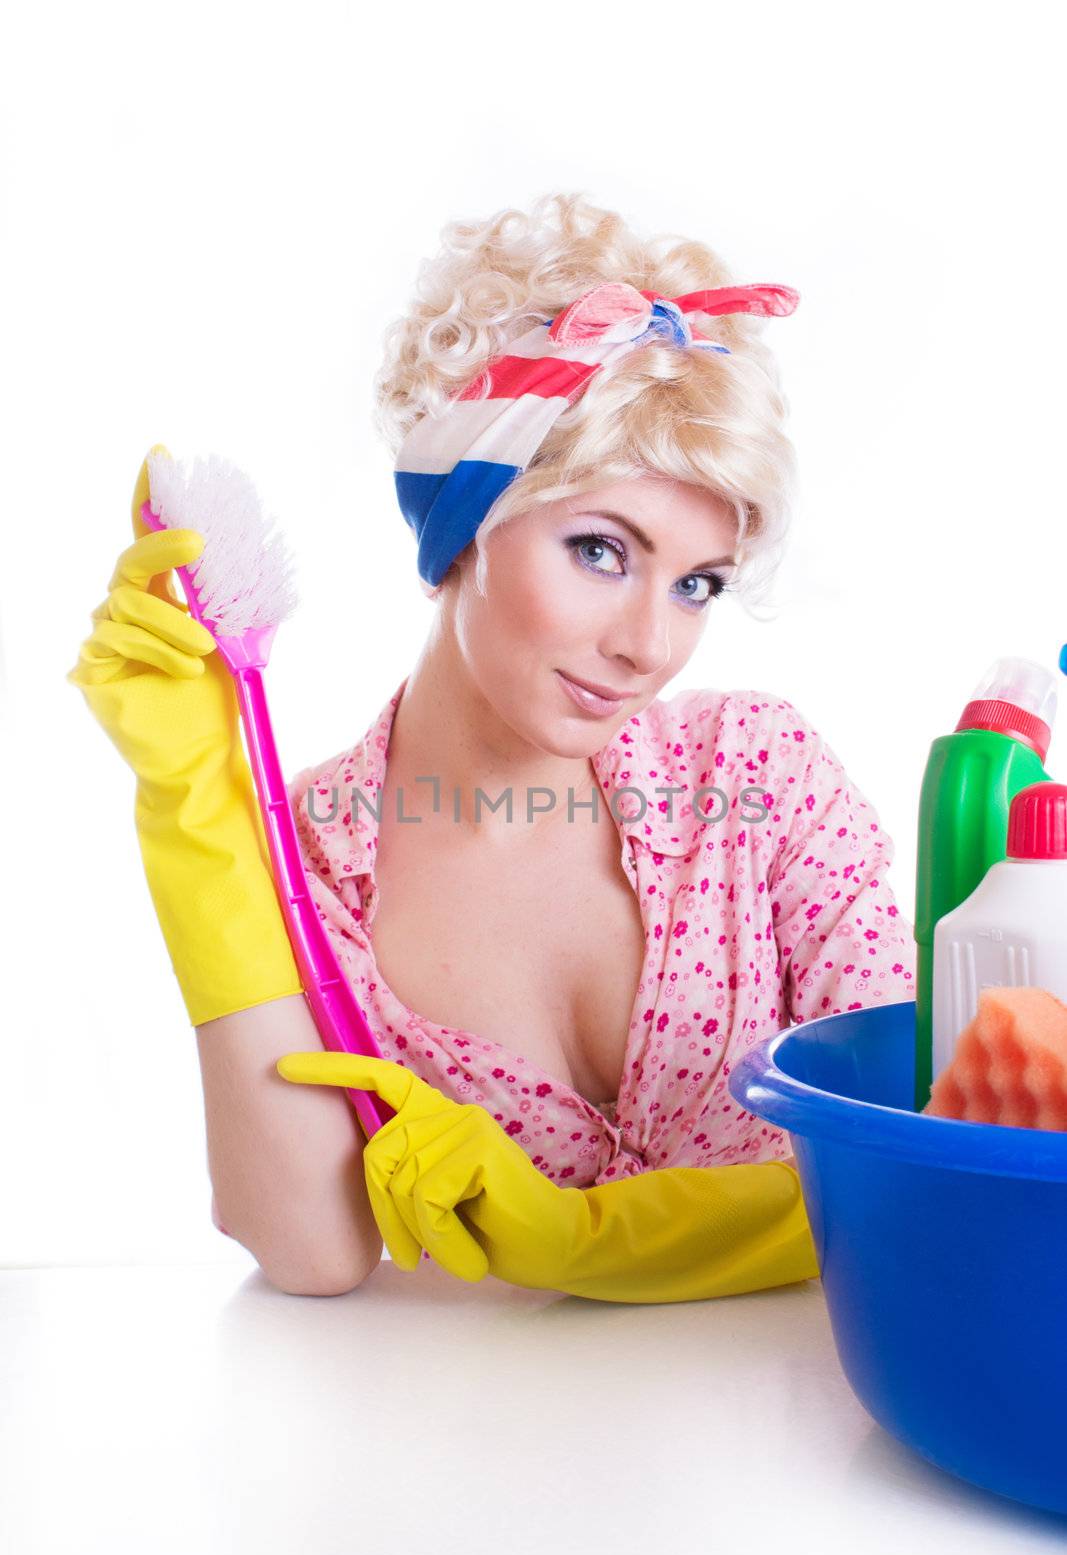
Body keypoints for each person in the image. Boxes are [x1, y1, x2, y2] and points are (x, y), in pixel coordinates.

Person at [68, 191, 916, 1300]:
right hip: (474, 1454)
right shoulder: (297, 863)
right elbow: (309, 1251)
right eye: (600, 551)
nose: (648, 646)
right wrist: (192, 808)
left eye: (695, 583)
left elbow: (912, 1136)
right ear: (460, 526)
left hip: (815, 1438)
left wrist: (580, 1238)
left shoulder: (758, 777)